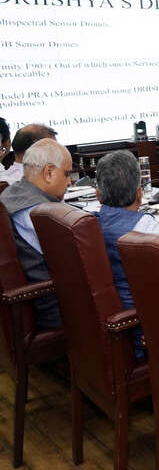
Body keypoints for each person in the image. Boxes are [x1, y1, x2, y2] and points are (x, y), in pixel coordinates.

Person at [94, 151, 159, 360]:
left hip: (106, 326)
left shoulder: (89, 224)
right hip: (140, 330)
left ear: (98, 196)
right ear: (140, 194)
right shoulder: (146, 227)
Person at [0, 138, 73, 329]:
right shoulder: (39, 213)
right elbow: (77, 261)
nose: (70, 181)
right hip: (57, 310)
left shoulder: (11, 193)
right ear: (48, 173)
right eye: (66, 174)